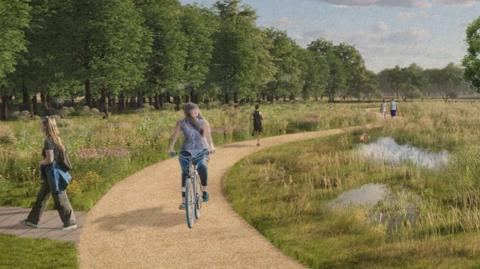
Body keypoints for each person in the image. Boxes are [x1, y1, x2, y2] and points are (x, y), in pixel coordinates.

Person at [21, 117, 77, 231]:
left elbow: (50, 159)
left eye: (42, 125)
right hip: (51, 174)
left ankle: (70, 222)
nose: (40, 126)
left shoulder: (48, 141)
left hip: (53, 174)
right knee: (42, 197)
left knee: (60, 197)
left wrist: (40, 162)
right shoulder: (56, 139)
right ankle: (32, 221)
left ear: (46, 126)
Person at [168, 103, 215, 210]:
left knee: (202, 167)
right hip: (186, 150)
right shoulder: (181, 123)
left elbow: (208, 137)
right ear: (187, 112)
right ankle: (184, 202)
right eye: (192, 110)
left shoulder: (204, 122)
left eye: (196, 110)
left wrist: (211, 147)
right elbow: (174, 137)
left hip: (201, 150)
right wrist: (171, 148)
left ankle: (204, 191)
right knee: (185, 173)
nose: (195, 112)